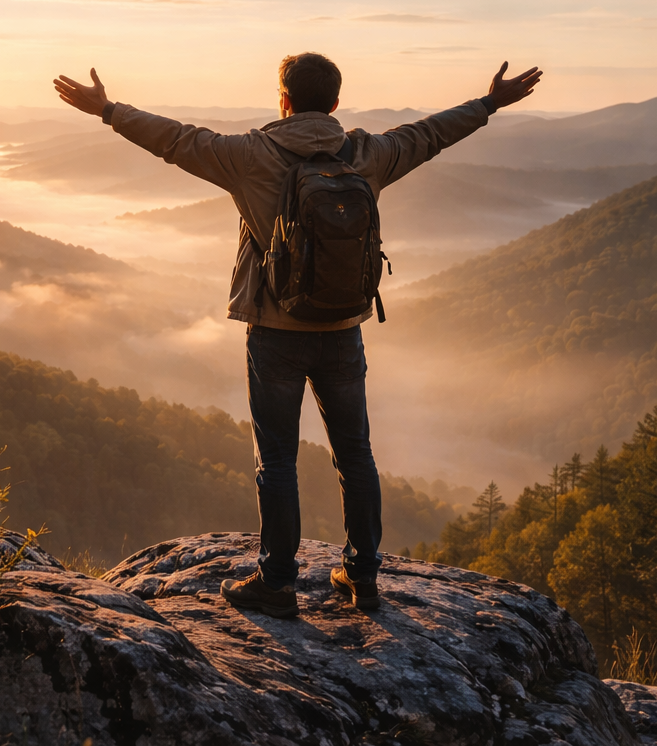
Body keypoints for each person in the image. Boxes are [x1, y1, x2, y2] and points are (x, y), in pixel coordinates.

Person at [53, 54, 542, 617]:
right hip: (342, 330)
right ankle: (362, 576)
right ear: (335, 102)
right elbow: (430, 135)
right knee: (355, 454)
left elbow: (174, 139)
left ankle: (278, 582)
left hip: (274, 332)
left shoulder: (248, 156)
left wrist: (109, 110)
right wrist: (488, 104)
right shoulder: (366, 154)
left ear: (282, 99)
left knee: (277, 460)